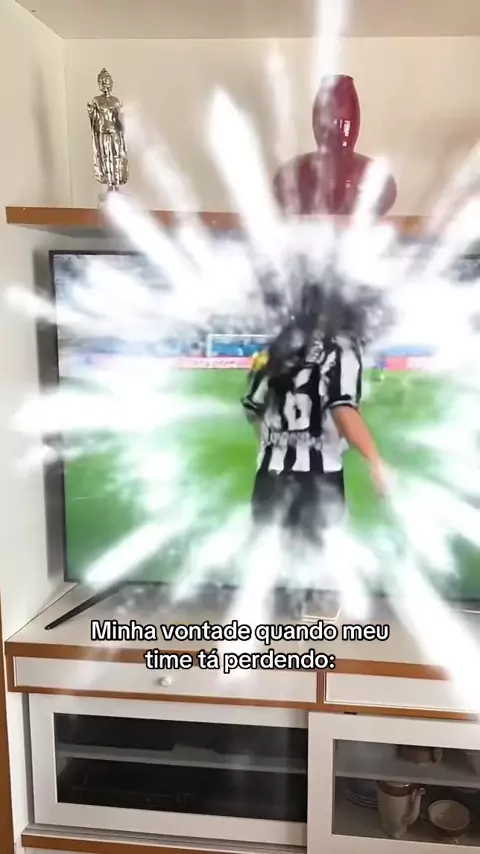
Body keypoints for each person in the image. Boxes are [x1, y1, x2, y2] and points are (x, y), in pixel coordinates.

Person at [241, 276, 389, 550]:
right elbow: (342, 409)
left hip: (270, 477)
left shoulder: (276, 349)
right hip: (318, 480)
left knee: (270, 559)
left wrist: (277, 443)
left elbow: (253, 409)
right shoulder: (341, 348)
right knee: (318, 564)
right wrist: (376, 461)